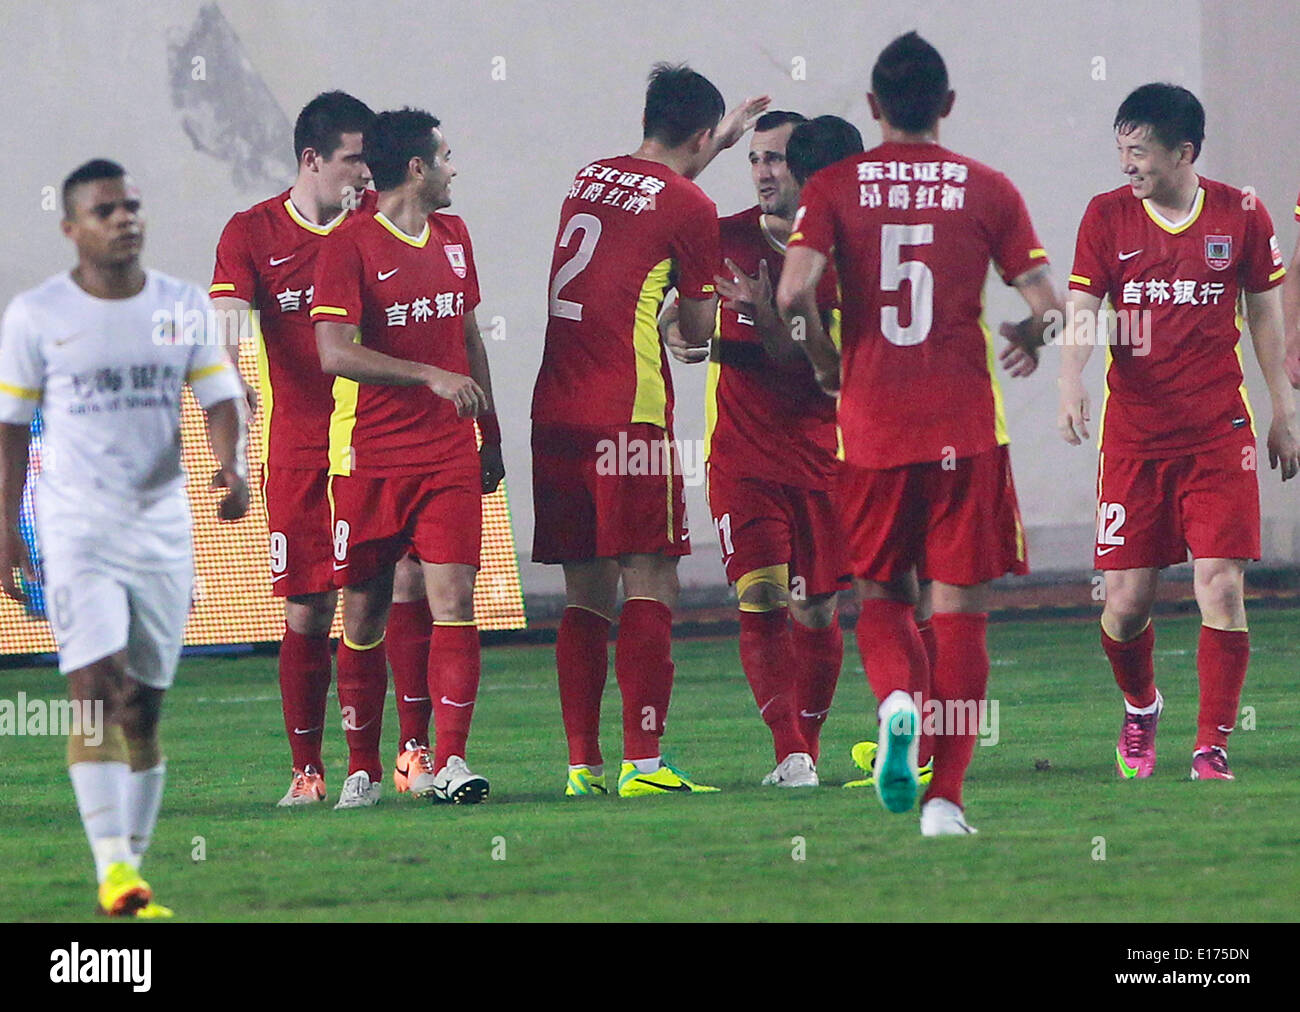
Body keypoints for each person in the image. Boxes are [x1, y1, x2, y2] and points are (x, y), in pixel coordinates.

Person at [777, 32, 1059, 835]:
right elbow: (1051, 307)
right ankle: (946, 800)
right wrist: (1029, 338)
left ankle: (898, 700)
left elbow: (796, 292)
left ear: (871, 107)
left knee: (881, 595)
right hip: (963, 426)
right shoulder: (988, 189)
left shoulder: (834, 186)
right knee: (961, 611)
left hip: (870, 426)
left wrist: (831, 363)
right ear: (947, 105)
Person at [0, 159, 248, 915]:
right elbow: (10, 434)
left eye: (132, 206)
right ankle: (114, 869)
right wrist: (8, 530)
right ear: (72, 228)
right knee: (93, 691)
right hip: (76, 529)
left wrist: (231, 465)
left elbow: (220, 396)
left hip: (161, 529)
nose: (125, 219)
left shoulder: (179, 306)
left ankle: (128, 873)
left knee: (142, 709)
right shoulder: (37, 315)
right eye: (106, 210)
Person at [530, 63, 767, 797]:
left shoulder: (590, 174)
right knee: (651, 574)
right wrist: (685, 320)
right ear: (702, 131)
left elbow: (645, 207)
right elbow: (696, 326)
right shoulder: (690, 205)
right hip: (624, 411)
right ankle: (646, 763)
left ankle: (582, 767)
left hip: (556, 409)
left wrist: (713, 147)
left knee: (585, 591)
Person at [1058, 83, 1299, 782]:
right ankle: (1141, 707)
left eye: (1139, 152)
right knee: (1126, 604)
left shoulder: (1242, 213)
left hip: (1219, 433)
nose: (1127, 165)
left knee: (1220, 586)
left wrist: (1282, 408)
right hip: (1135, 439)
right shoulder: (1105, 217)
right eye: (1120, 150)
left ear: (1183, 153)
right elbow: (1083, 304)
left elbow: (1263, 311)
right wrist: (1071, 379)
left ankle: (1211, 745)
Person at [211, 91, 442, 805]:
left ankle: (408, 755)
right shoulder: (252, 232)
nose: (364, 174)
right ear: (311, 159)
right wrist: (229, 380)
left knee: (404, 592)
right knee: (309, 611)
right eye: (351, 160)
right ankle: (307, 771)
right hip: (303, 455)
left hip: (382, 448)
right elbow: (221, 324)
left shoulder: (383, 227)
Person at [312, 107, 504, 808]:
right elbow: (332, 353)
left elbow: (470, 337)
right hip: (372, 457)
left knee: (454, 600)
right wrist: (427, 377)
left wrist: (494, 434)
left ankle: (449, 761)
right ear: (417, 169)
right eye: (447, 156)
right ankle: (362, 767)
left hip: (449, 454)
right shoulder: (351, 244)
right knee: (362, 614)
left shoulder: (455, 236)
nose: (456, 168)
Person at [686, 110, 853, 788]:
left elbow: (826, 370)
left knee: (817, 610)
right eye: (754, 159)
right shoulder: (720, 237)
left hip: (821, 460)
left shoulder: (843, 258)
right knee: (759, 597)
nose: (763, 172)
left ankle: (805, 747)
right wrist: (682, 323)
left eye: (777, 159)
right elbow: (683, 308)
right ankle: (789, 752)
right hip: (741, 461)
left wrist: (765, 313)